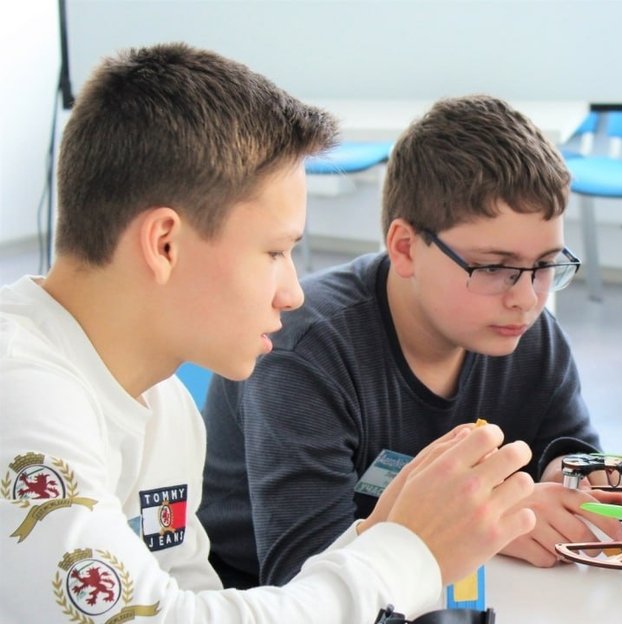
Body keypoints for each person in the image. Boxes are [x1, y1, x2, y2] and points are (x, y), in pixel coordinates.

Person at [0, 43, 536, 623]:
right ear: (165, 244)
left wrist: (383, 532)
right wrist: (405, 553)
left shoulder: (165, 405)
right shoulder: (19, 392)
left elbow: (196, 602)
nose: (293, 293)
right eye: (276, 251)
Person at [199, 94, 622, 588]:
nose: (527, 299)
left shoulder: (531, 337)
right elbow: (301, 572)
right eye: (494, 268)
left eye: (546, 265)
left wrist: (571, 477)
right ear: (405, 248)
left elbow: (571, 451)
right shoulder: (305, 351)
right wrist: (486, 520)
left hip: (456, 583)